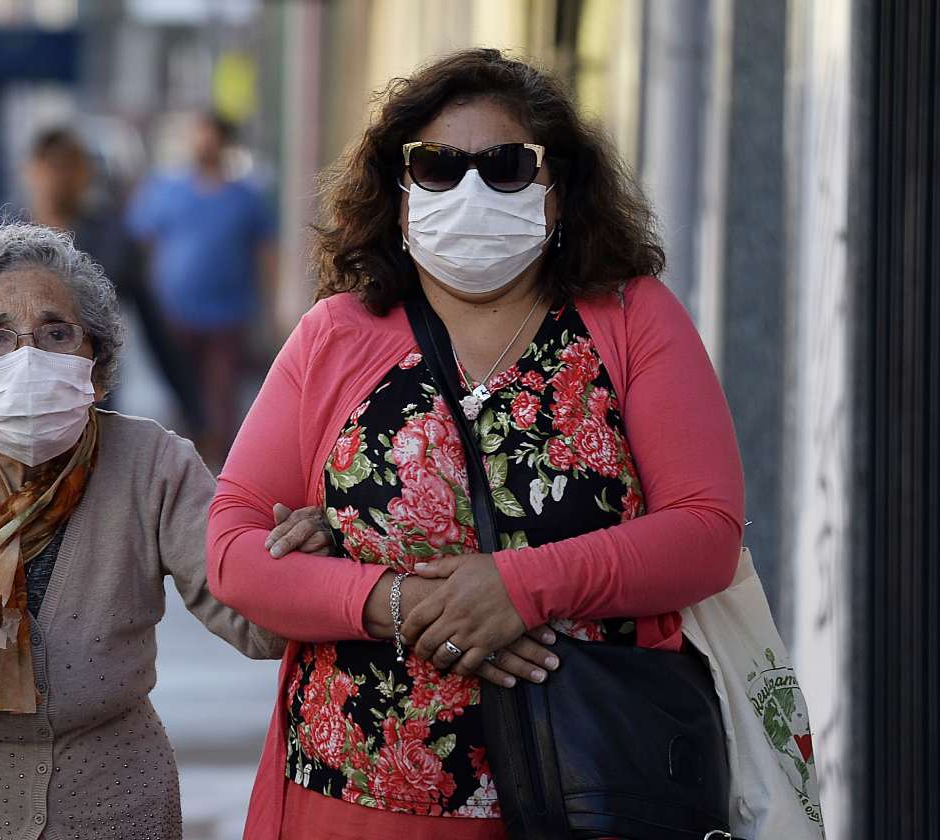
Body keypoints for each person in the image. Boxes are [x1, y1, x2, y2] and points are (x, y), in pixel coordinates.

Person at [207, 49, 745, 839]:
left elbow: (706, 534)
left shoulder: (633, 318)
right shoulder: (336, 334)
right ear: (397, 191)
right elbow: (231, 549)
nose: (469, 190)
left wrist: (518, 588)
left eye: (505, 167)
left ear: (559, 192)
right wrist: (397, 603)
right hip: (356, 798)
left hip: (596, 793)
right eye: (436, 166)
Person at [0, 223, 325, 839]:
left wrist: (293, 564)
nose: (28, 358)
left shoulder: (153, 467)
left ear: (96, 366)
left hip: (117, 801)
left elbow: (255, 627)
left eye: (56, 333)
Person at [23, 127, 204, 432]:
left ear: (84, 174)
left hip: (90, 399)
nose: (58, 177)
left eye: (69, 165)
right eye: (51, 165)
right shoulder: (5, 240)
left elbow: (154, 326)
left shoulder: (111, 239)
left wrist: (193, 410)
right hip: (22, 396)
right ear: (32, 170)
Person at [127, 110, 277, 464]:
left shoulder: (246, 196)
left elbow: (266, 252)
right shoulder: (165, 190)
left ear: (224, 142)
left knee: (221, 392)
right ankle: (182, 460)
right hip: (175, 311)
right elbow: (139, 242)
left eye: (209, 134)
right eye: (197, 134)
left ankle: (223, 466)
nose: (202, 142)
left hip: (228, 313)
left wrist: (271, 305)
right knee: (182, 389)